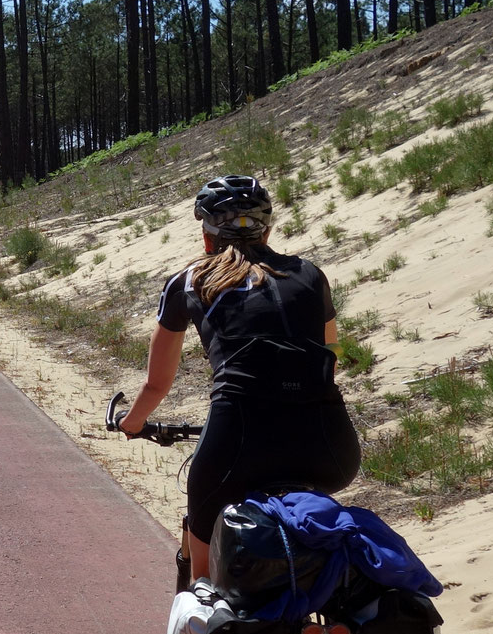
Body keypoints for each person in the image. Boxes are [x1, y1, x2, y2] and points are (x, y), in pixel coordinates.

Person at [114, 175, 360, 589]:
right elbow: (328, 361)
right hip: (330, 447)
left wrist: (132, 423)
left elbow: (157, 385)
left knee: (206, 580)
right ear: (267, 229)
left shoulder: (189, 281)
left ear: (206, 233)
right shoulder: (311, 275)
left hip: (238, 441)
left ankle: (207, 622)